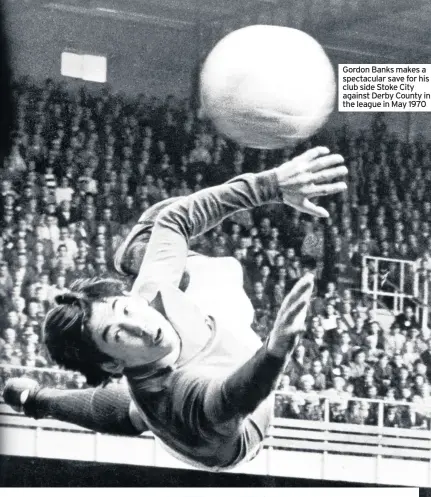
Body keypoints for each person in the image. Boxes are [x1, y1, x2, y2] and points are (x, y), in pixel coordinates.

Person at [4, 147, 347, 471]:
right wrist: (275, 350)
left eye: (123, 309)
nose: (139, 323)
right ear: (111, 363)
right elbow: (235, 396)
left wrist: (270, 184)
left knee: (196, 252)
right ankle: (40, 400)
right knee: (140, 407)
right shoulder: (175, 397)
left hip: (179, 377)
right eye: (117, 334)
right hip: (231, 434)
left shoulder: (147, 300)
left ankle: (35, 398)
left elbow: (175, 219)